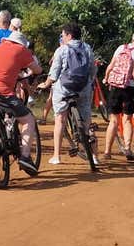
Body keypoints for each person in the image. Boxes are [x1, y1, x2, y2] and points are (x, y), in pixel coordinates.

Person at [0, 31, 42, 183]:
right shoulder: (22, 50)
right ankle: (24, 156)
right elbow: (37, 70)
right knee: (28, 119)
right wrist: (27, 74)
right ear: (22, 43)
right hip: (2, 92)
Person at [37, 22, 98, 165]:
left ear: (69, 35)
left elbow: (54, 74)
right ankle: (95, 157)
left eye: (63, 35)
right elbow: (92, 70)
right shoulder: (87, 48)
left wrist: (46, 84)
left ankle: (56, 156)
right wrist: (90, 82)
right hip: (83, 88)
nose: (62, 38)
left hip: (64, 89)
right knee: (87, 122)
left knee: (60, 120)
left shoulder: (62, 50)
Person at [103, 29, 134, 161]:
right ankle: (127, 148)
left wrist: (106, 78)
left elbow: (111, 66)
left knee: (113, 120)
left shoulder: (121, 47)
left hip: (115, 85)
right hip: (129, 88)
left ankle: (107, 151)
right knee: (127, 119)